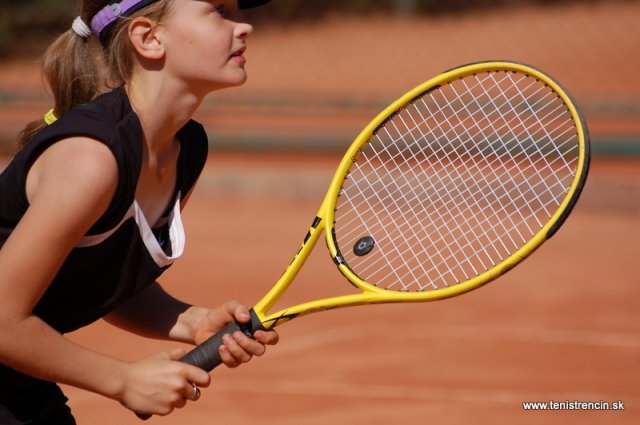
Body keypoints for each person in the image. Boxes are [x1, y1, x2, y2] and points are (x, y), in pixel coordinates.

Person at [0, 0, 278, 423]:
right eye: (220, 11)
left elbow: (101, 277)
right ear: (148, 38)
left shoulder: (185, 149)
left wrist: (193, 321)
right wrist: (122, 379)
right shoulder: (90, 160)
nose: (245, 27)